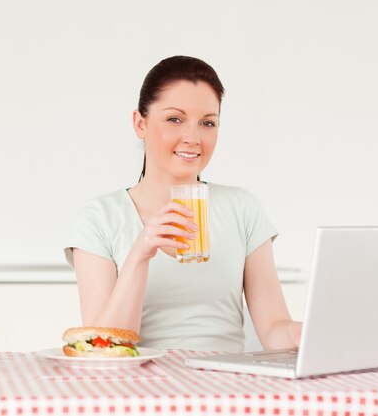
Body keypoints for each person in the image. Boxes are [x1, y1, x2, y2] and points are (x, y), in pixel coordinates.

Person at [64, 56, 302, 352]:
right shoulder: (99, 219)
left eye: (207, 123)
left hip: (226, 386)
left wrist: (304, 333)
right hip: (138, 390)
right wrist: (140, 253)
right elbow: (104, 348)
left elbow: (273, 330)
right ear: (140, 123)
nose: (193, 137)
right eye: (175, 119)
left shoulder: (242, 208)